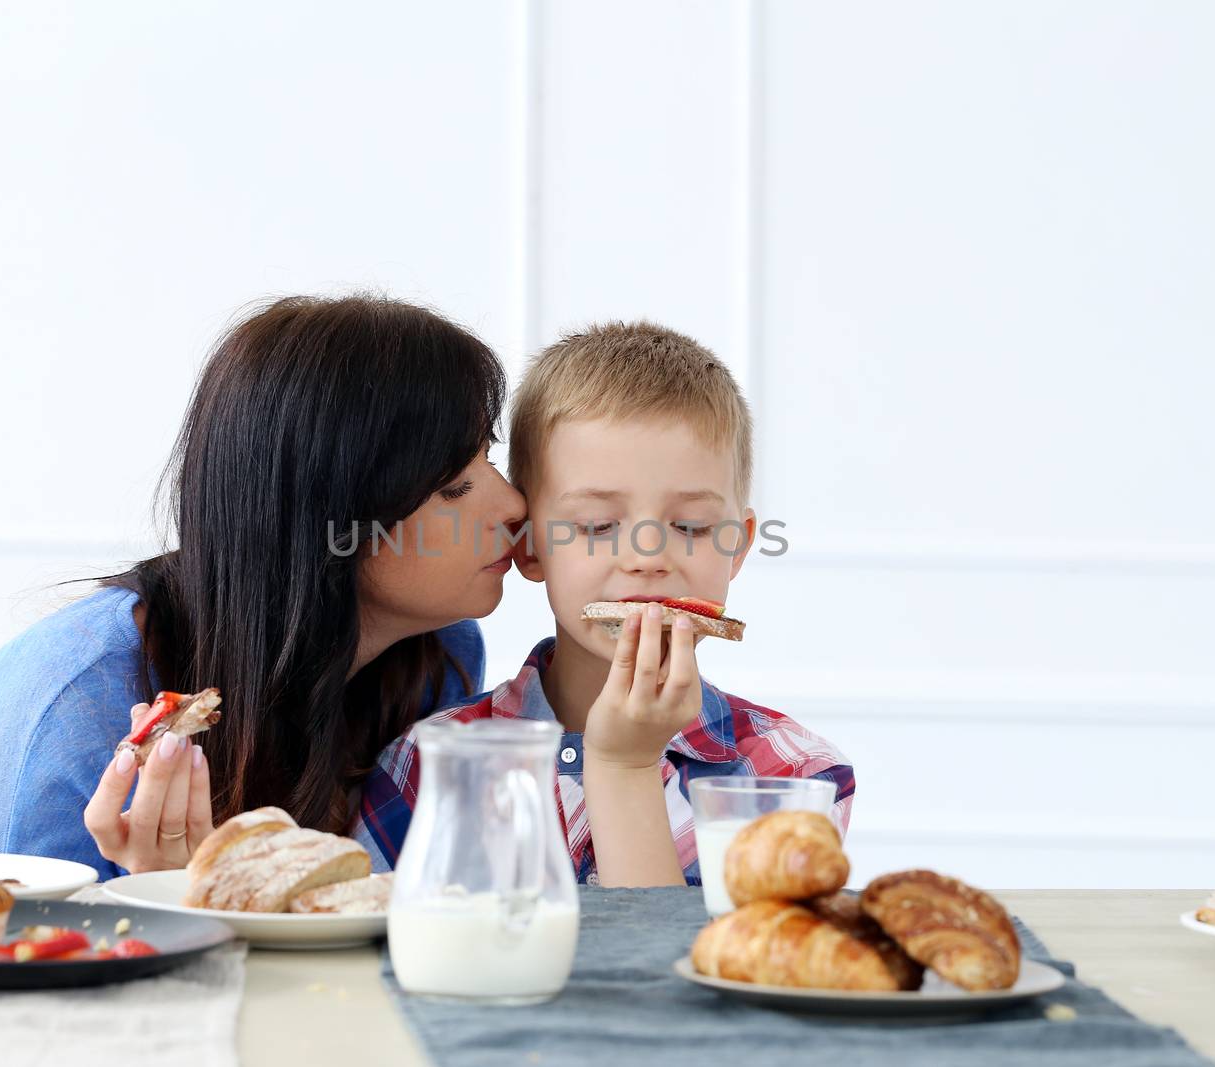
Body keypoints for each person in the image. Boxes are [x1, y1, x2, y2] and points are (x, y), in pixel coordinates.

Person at [0, 295, 526, 878]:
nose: (513, 503)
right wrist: (169, 901)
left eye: (487, 459)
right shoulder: (74, 706)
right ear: (328, 518)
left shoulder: (438, 655)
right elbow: (13, 979)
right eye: (454, 486)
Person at [355, 321, 853, 887]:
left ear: (736, 546)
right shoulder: (428, 765)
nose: (647, 556)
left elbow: (712, 972)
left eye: (690, 525)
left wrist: (629, 766)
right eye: (596, 526)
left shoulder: (790, 773)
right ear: (528, 546)